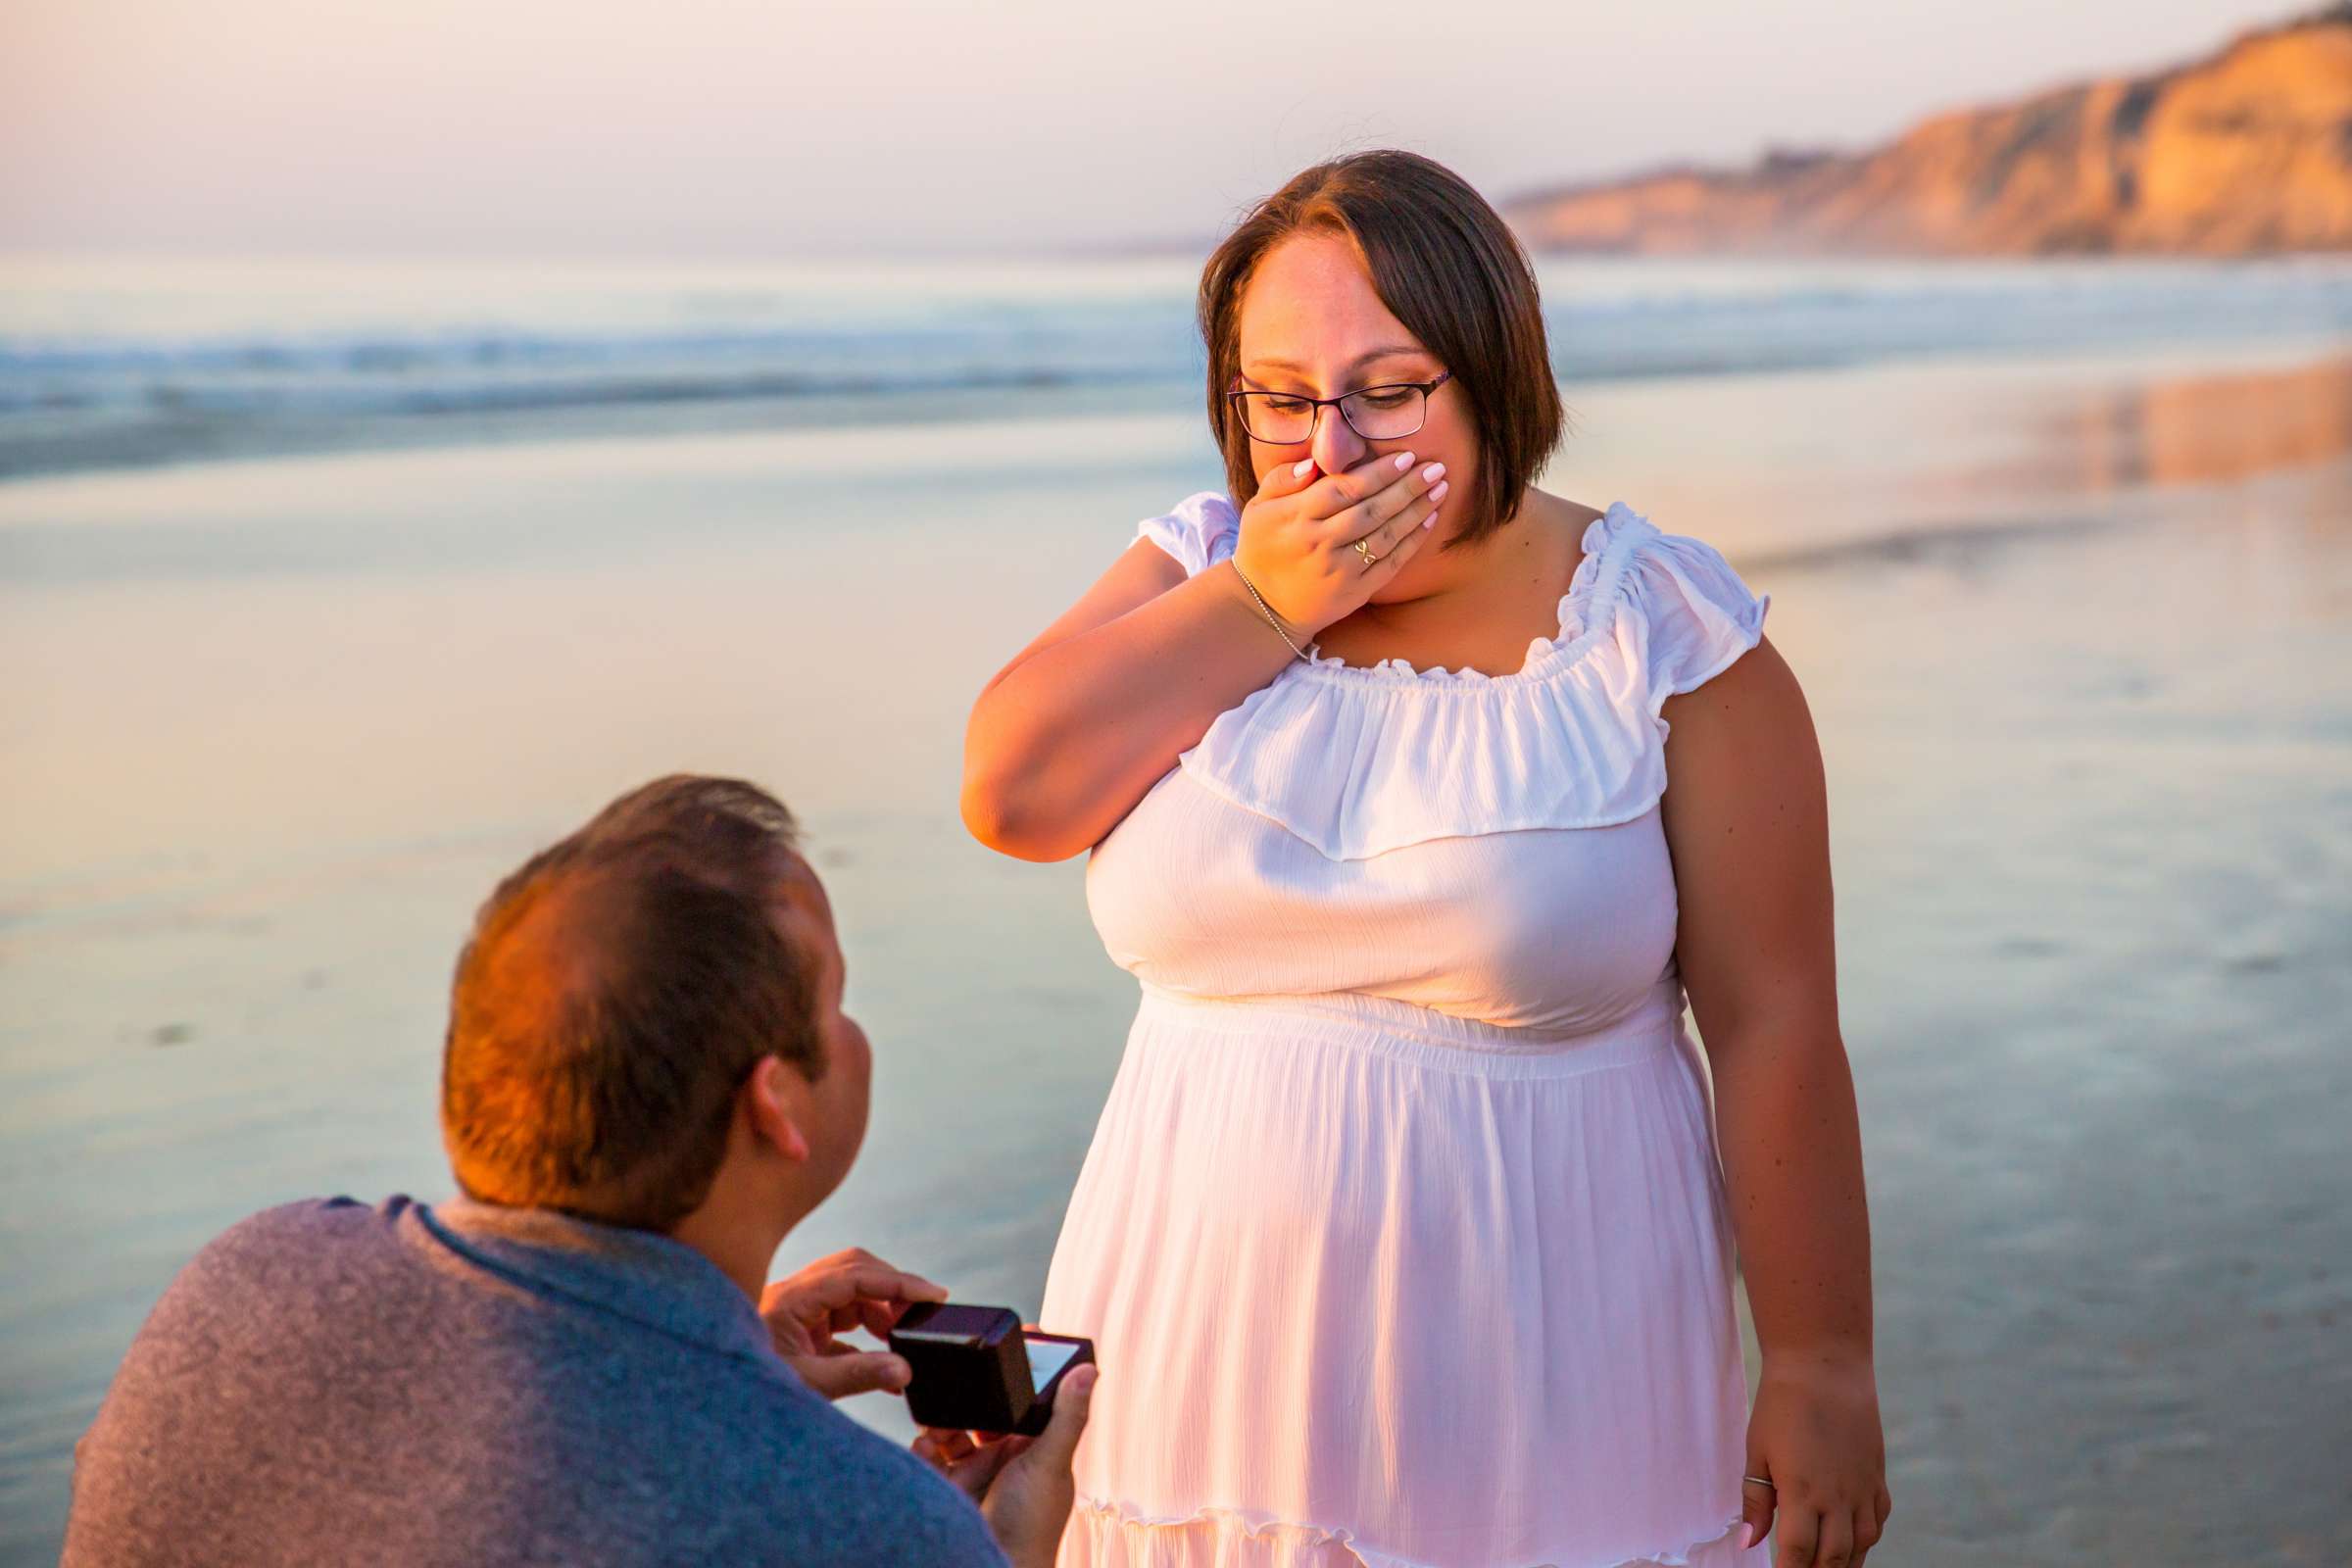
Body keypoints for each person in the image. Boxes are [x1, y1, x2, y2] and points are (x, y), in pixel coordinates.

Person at [962, 151, 1888, 1568]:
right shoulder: (1201, 568)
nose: (1329, 451)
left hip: (1549, 1384)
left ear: (1497, 376)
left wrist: (1823, 1364)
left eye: (1388, 392)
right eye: (1279, 400)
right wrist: (1262, 605)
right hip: (1187, 1361)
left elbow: (1775, 1028)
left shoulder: (1659, 629)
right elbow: (1011, 793)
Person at [63, 774, 1097, 1568]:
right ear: (776, 1103)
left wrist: (724, 1372)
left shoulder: (241, 1283)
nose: (856, 1026)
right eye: (838, 997)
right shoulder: (863, 1523)